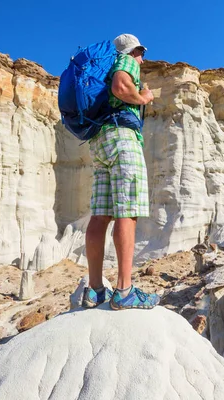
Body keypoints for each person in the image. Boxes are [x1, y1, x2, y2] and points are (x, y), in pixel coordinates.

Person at [82, 34, 160, 310]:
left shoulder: (102, 68)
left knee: (101, 215)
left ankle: (94, 290)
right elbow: (120, 87)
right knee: (128, 211)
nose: (142, 59)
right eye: (141, 53)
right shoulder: (125, 61)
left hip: (100, 141)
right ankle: (124, 290)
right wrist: (143, 97)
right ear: (134, 50)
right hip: (122, 139)